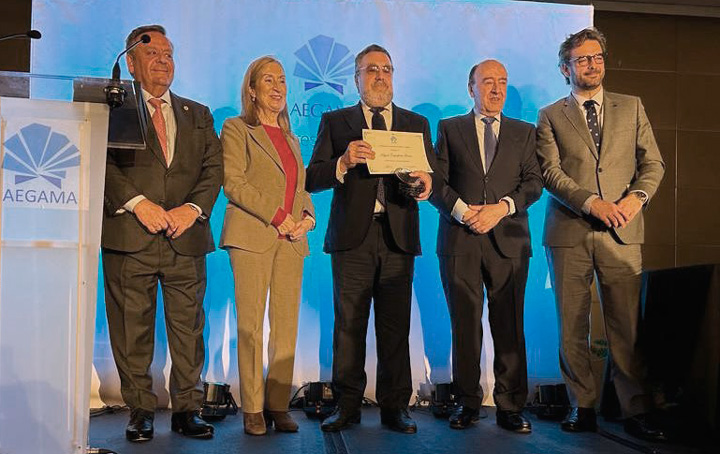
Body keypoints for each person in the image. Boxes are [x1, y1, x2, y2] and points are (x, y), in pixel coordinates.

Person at [536, 27, 666, 441]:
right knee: (571, 325)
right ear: (564, 68)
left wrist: (636, 198)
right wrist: (592, 203)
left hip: (623, 231)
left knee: (626, 326)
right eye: (582, 59)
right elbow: (550, 173)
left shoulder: (632, 106)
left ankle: (635, 409)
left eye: (597, 57)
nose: (591, 65)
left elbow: (653, 164)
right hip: (569, 231)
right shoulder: (550, 115)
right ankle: (583, 406)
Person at [306, 44, 435, 434]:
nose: (380, 76)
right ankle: (346, 406)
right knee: (349, 326)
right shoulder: (336, 121)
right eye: (371, 69)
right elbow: (312, 177)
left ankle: (396, 406)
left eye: (386, 69)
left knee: (395, 328)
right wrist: (343, 162)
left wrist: (426, 183)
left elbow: (431, 178)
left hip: (398, 237)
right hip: (352, 240)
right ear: (356, 78)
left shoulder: (416, 123)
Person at [102, 25, 222, 441]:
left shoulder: (198, 113)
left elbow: (213, 169)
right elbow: (101, 162)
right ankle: (140, 410)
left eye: (169, 54)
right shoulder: (113, 108)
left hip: (184, 239)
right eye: (153, 55)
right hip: (130, 235)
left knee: (188, 328)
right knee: (131, 328)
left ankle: (188, 408)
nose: (164, 61)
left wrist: (192, 210)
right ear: (131, 63)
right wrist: (140, 204)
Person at [431, 60, 542, 433]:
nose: (496, 89)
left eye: (503, 82)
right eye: (488, 82)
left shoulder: (525, 133)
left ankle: (511, 405)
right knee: (465, 325)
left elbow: (533, 184)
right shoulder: (449, 128)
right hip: (460, 239)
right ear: (471, 87)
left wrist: (501, 209)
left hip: (508, 241)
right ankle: (467, 402)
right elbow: (436, 182)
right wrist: (464, 213)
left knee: (509, 325)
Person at [219, 56, 315, 436]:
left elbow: (301, 189)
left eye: (281, 80)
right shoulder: (237, 128)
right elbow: (234, 183)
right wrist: (277, 216)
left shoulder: (292, 138)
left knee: (286, 327)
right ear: (252, 90)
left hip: (292, 241)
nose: (277, 87)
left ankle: (277, 404)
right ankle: (253, 408)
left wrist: (306, 218)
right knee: (251, 327)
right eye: (268, 80)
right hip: (253, 236)